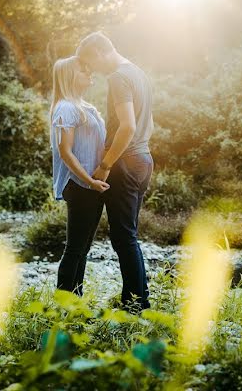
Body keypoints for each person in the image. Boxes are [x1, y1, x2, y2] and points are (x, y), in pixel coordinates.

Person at [76, 31, 154, 313]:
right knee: (128, 234)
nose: (92, 68)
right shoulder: (139, 73)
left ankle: (137, 305)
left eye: (90, 62)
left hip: (124, 161)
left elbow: (128, 126)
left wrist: (106, 164)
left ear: (99, 52)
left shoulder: (118, 77)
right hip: (144, 159)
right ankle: (134, 298)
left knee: (123, 238)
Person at [50, 56, 109, 297]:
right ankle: (64, 305)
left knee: (83, 249)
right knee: (75, 248)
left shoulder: (86, 106)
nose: (89, 72)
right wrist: (89, 180)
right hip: (79, 184)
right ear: (70, 77)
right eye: (83, 71)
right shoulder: (66, 107)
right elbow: (66, 152)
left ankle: (75, 300)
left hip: (92, 185)